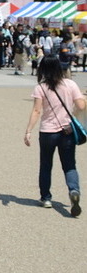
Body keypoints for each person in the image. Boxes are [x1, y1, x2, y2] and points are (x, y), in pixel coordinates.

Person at [24, 55, 84, 215]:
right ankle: (73, 190)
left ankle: (46, 198)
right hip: (67, 131)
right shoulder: (70, 84)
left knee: (46, 165)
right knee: (69, 165)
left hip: (47, 132)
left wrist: (28, 130)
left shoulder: (41, 87)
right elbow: (81, 105)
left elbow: (37, 110)